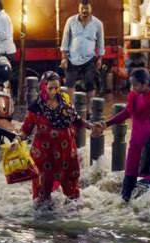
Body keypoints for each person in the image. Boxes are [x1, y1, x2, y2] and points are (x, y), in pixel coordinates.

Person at [92, 68, 150, 202]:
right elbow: (126, 113)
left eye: (135, 85)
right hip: (136, 142)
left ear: (145, 83)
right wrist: (106, 124)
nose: (132, 87)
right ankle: (124, 204)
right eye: (131, 84)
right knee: (129, 174)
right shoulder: (134, 96)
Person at [13, 71, 92, 205]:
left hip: (66, 154)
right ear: (43, 87)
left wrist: (90, 125)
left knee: (73, 193)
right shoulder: (36, 108)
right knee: (43, 195)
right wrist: (17, 140)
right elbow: (26, 129)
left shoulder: (65, 100)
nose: (54, 91)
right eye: (50, 88)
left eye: (57, 88)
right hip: (45, 156)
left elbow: (76, 119)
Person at [60, 0, 105, 116]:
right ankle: (71, 108)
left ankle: (89, 110)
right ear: (79, 9)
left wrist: (100, 58)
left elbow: (100, 43)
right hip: (72, 58)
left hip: (89, 58)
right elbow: (65, 41)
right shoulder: (71, 21)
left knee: (90, 83)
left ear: (90, 10)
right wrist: (64, 58)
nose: (85, 12)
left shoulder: (98, 24)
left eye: (87, 10)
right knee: (70, 83)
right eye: (82, 9)